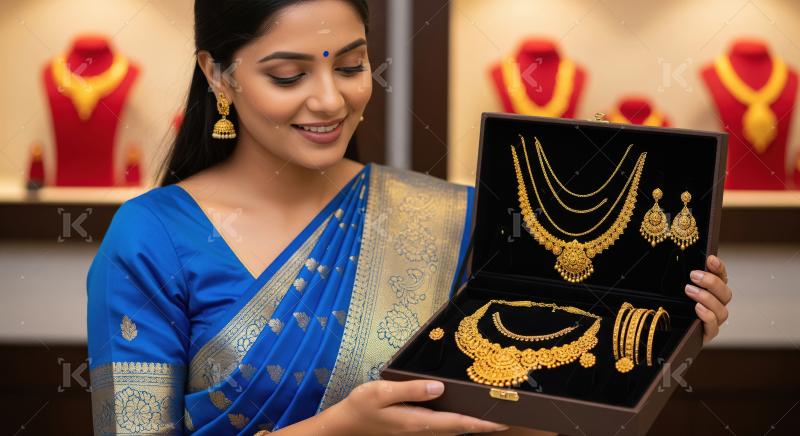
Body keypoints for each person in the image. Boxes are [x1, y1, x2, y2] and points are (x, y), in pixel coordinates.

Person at [86, 1, 734, 435]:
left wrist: (666, 339)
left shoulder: (445, 218)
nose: (330, 99)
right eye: (287, 75)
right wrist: (341, 429)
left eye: (351, 65)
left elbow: (525, 416)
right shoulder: (152, 238)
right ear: (217, 75)